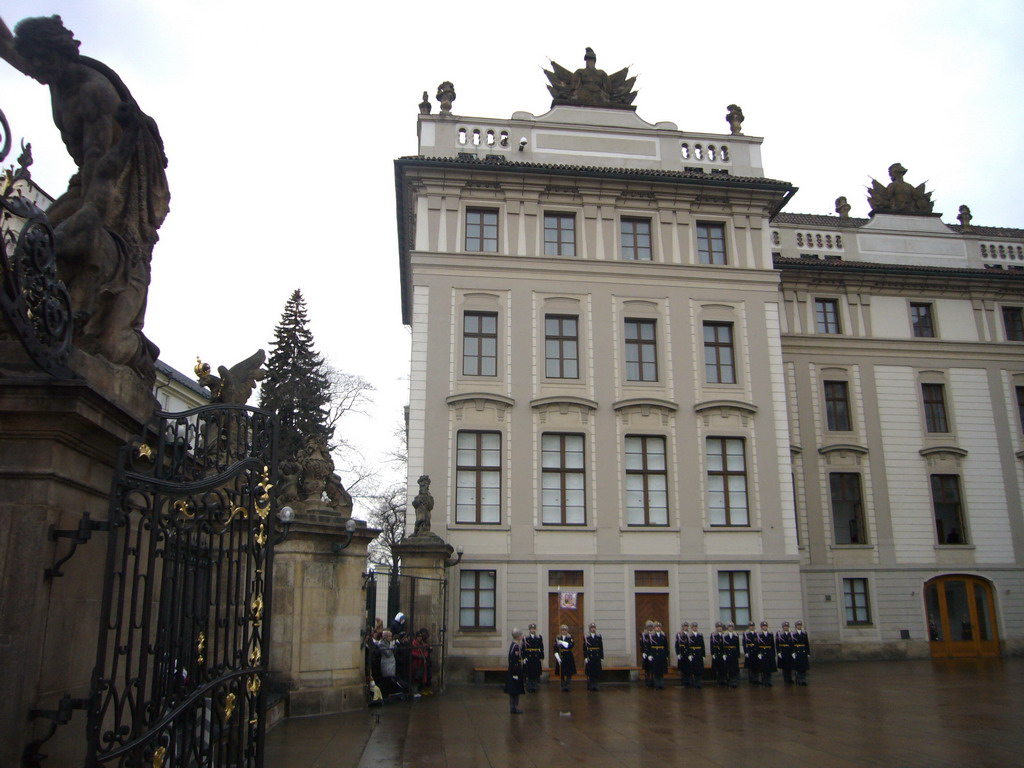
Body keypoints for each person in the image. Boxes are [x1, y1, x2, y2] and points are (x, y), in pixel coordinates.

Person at [0, 14, 169, 376]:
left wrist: (63, 236)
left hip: (113, 190)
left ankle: (134, 353)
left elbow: (100, 180)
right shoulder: (52, 72)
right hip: (86, 183)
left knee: (51, 242)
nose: (35, 71)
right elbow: (11, 49)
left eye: (41, 62)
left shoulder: (94, 93)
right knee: (32, 241)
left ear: (58, 53)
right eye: (32, 63)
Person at [505, 628, 526, 714]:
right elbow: (512, 660)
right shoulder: (515, 646)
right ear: (517, 636)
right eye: (520, 635)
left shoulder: (518, 645)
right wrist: (514, 673)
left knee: (516, 690)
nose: (521, 636)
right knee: (514, 690)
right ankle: (513, 707)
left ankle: (515, 706)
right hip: (515, 670)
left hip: (517, 669)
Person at [523, 623, 544, 692]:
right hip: (529, 657)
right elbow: (524, 648)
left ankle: (534, 686)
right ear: (529, 630)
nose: (533, 630)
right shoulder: (526, 639)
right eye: (531, 629)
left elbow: (541, 648)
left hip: (536, 656)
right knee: (529, 672)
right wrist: (524, 657)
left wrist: (541, 656)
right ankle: (529, 685)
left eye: (534, 629)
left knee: (535, 672)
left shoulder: (539, 638)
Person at [554, 624, 576, 691]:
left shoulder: (570, 637)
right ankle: (563, 685)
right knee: (562, 672)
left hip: (568, 656)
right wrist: (557, 657)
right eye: (562, 630)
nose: (564, 631)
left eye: (565, 630)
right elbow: (555, 648)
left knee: (569, 673)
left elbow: (570, 646)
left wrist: (562, 642)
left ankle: (568, 685)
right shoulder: (558, 638)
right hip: (561, 656)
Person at [648, 621, 669, 690]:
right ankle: (657, 684)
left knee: (661, 670)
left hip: (661, 654)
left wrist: (666, 655)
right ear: (654, 628)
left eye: (659, 627)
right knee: (656, 671)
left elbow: (666, 646)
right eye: (657, 627)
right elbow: (649, 646)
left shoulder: (663, 636)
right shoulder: (652, 636)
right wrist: (650, 654)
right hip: (655, 654)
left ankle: (661, 684)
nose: (658, 628)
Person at [756, 621, 777, 687]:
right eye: (763, 626)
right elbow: (757, 645)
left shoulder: (770, 634)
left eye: (765, 626)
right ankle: (764, 681)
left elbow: (772, 644)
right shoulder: (759, 635)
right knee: (764, 668)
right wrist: (758, 653)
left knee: (769, 668)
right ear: (761, 627)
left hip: (769, 652)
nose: (764, 627)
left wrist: (773, 653)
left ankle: (769, 681)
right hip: (762, 652)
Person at [583, 623, 604, 691]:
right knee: (590, 672)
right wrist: (585, 657)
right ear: (590, 629)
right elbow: (585, 648)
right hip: (590, 656)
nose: (593, 629)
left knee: (596, 672)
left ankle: (596, 685)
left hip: (597, 656)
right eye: (592, 628)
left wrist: (601, 657)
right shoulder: (587, 637)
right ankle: (591, 685)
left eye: (594, 627)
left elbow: (601, 647)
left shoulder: (598, 637)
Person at [411, 628, 432, 695]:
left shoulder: (422, 643)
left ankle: (424, 689)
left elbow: (426, 651)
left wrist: (425, 654)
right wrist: (420, 656)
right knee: (417, 677)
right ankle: (416, 691)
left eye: (420, 637)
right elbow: (413, 652)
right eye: (419, 637)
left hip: (423, 662)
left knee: (424, 676)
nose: (420, 638)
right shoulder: (414, 644)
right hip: (417, 663)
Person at [686, 622, 706, 690]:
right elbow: (687, 646)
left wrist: (703, 655)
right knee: (693, 669)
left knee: (699, 669)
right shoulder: (689, 636)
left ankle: (699, 683)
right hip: (692, 653)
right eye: (693, 627)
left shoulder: (700, 635)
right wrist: (689, 654)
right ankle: (694, 683)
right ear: (691, 628)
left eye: (696, 627)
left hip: (699, 653)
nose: (695, 628)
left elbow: (702, 646)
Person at [791, 620, 811, 686]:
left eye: (800, 625)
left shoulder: (804, 633)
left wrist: (808, 652)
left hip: (803, 651)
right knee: (798, 667)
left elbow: (806, 643)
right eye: (798, 625)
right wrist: (793, 652)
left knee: (804, 667)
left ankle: (803, 680)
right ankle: (799, 679)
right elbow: (791, 644)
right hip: (797, 651)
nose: (799, 626)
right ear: (796, 626)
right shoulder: (793, 634)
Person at [723, 623, 741, 688]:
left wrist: (738, 654)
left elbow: (737, 646)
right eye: (729, 627)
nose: (730, 628)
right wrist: (724, 654)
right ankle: (729, 681)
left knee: (734, 668)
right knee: (728, 668)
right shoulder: (725, 636)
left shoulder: (735, 635)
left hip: (734, 653)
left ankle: (734, 681)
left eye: (732, 627)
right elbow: (723, 646)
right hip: (728, 653)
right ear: (727, 628)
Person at [710, 622, 726, 687]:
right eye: (718, 627)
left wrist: (725, 653)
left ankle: (723, 680)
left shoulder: (724, 635)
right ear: (716, 628)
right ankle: (718, 681)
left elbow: (725, 645)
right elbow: (712, 645)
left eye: (720, 627)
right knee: (717, 668)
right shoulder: (713, 635)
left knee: (723, 667)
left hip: (722, 653)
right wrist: (713, 653)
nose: (719, 628)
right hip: (716, 652)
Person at [675, 622, 690, 687]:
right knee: (682, 669)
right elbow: (677, 645)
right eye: (684, 626)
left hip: (688, 654)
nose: (685, 628)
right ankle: (683, 682)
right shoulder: (679, 635)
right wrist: (678, 653)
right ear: (682, 627)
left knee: (688, 668)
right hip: (682, 653)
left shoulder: (690, 634)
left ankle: (688, 682)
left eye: (686, 626)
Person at [641, 620, 655, 688]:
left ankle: (652, 681)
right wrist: (643, 652)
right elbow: (642, 644)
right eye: (649, 626)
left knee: (653, 668)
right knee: (647, 669)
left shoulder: (654, 634)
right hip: (646, 654)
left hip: (652, 654)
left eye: (651, 626)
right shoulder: (644, 635)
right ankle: (647, 681)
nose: (650, 628)